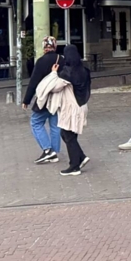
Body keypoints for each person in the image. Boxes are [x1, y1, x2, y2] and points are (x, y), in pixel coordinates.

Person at [22, 36, 62, 164]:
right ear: (55, 46)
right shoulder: (62, 59)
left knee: (36, 122)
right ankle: (55, 153)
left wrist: (26, 100)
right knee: (55, 124)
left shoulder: (41, 61)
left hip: (45, 98)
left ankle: (47, 150)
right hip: (58, 98)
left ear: (44, 47)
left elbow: (33, 82)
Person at [56, 45, 92, 176]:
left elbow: (56, 87)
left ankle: (74, 166)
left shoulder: (66, 72)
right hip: (83, 105)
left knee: (67, 135)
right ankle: (80, 157)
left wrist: (54, 73)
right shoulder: (85, 70)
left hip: (72, 107)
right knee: (70, 134)